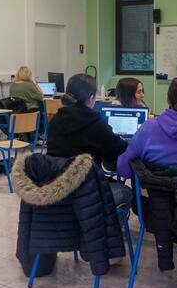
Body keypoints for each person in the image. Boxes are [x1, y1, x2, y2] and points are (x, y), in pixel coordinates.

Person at [46, 73, 132, 207]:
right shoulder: (94, 123)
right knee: (125, 191)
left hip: (55, 188)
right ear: (92, 98)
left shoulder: (55, 120)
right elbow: (121, 149)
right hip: (85, 192)